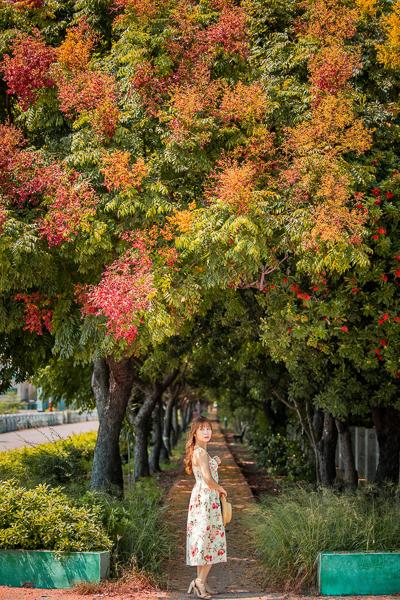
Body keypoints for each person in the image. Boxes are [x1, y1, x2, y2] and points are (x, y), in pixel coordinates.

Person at [184, 415, 228, 598]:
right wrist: (221, 489)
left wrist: (214, 462)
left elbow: (205, 473)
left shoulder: (201, 451)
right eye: (202, 429)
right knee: (209, 540)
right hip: (206, 500)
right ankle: (199, 582)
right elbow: (208, 480)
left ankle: (200, 582)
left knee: (204, 541)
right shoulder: (200, 452)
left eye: (208, 428)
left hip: (203, 499)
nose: (206, 432)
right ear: (194, 433)